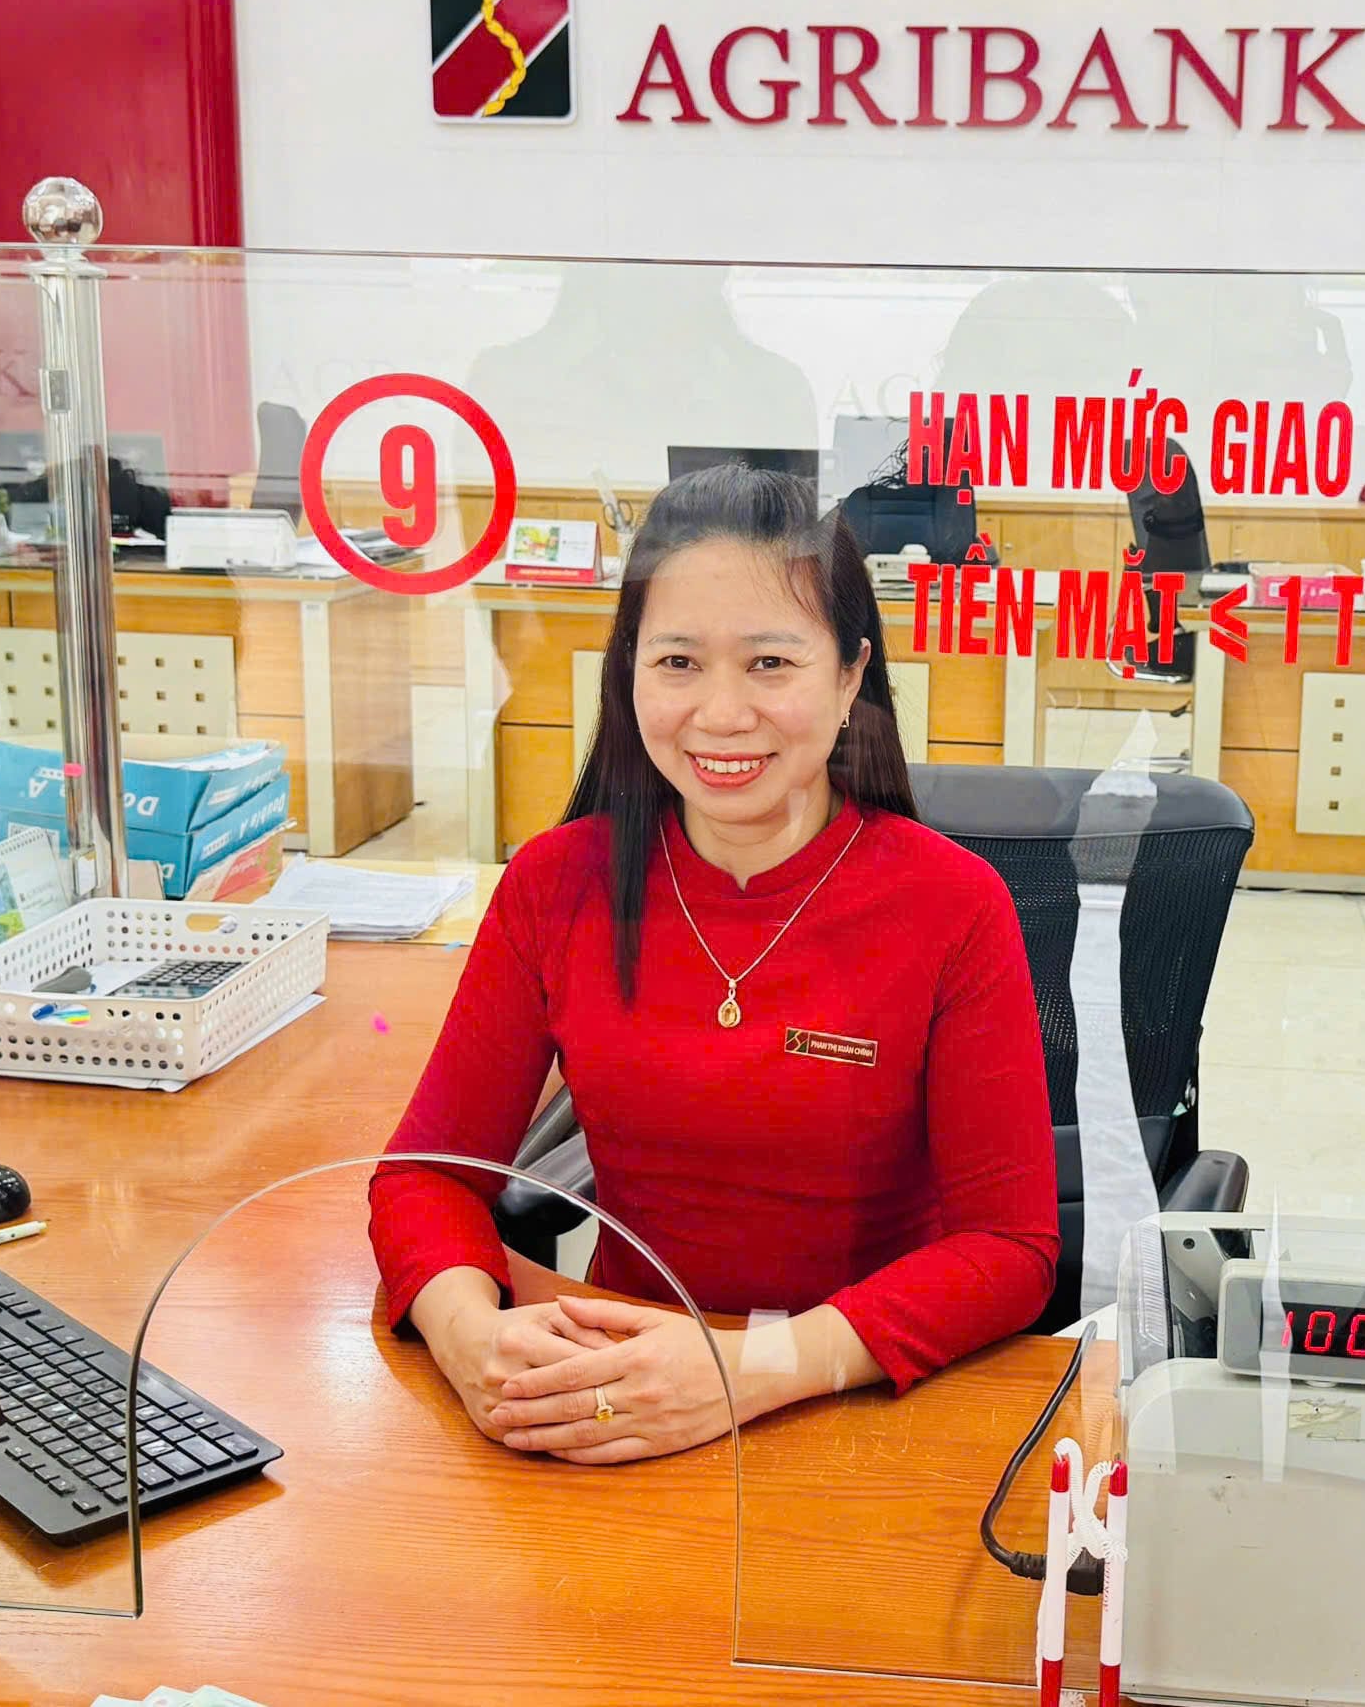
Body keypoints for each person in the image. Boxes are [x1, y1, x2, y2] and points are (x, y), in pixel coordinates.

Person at [370, 463, 1059, 1464]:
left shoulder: (953, 904)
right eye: (678, 661)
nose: (722, 713)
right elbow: (426, 1177)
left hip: (856, 1404)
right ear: (630, 671)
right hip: (618, 1391)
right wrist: (470, 1335)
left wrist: (747, 1370)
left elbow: (1011, 1248)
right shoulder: (555, 884)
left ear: (850, 676)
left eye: (770, 662)